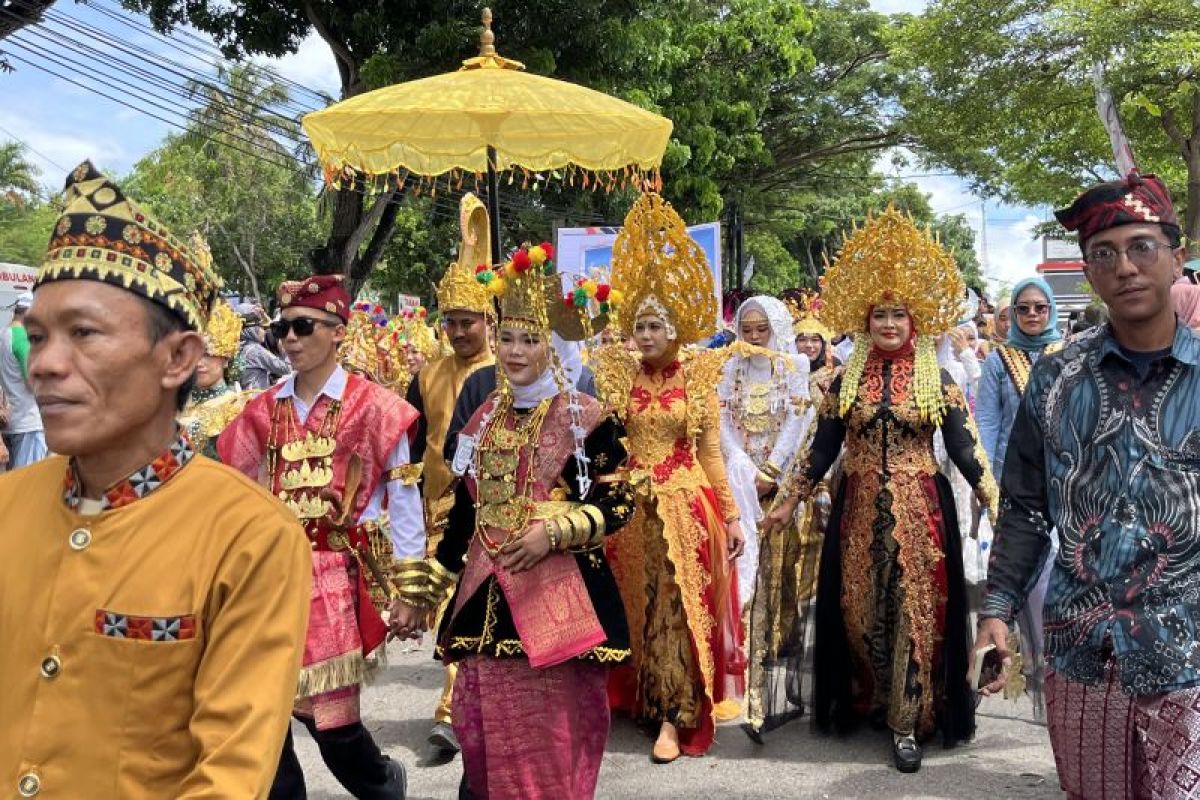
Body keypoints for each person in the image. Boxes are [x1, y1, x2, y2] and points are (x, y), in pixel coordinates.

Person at [0, 161, 311, 798]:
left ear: (177, 359)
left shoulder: (250, 539)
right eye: (37, 337)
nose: (47, 365)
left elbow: (229, 775)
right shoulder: (8, 506)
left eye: (83, 334)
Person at [975, 172, 1200, 800]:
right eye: (1105, 254)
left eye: (1142, 247)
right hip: (1082, 657)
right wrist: (996, 609)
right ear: (1089, 270)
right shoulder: (1055, 379)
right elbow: (1024, 505)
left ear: (1177, 256)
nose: (1125, 266)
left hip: (1189, 657)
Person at [764, 207, 998, 774]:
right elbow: (820, 450)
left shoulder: (937, 379)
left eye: (898, 315)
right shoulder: (842, 381)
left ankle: (908, 720)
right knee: (859, 612)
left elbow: (965, 449)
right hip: (858, 507)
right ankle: (874, 694)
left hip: (923, 510)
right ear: (865, 321)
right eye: (879, 315)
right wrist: (788, 500)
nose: (889, 324)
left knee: (916, 612)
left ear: (915, 322)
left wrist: (996, 500)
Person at [414, 248, 634, 800]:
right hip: (484, 604)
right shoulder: (483, 416)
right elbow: (465, 517)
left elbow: (620, 504)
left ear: (555, 347)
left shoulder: (585, 418)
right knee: (483, 744)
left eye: (530, 339)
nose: (514, 352)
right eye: (508, 338)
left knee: (543, 745)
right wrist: (424, 588)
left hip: (556, 605)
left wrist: (553, 533)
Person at [218, 274, 425, 800]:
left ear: (338, 331)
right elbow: (233, 495)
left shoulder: (376, 409)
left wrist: (411, 590)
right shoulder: (261, 411)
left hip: (334, 583)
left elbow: (403, 504)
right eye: (282, 327)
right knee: (267, 730)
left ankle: (384, 784)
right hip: (267, 583)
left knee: (334, 729)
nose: (288, 338)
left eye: (302, 326)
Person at [597, 192, 745, 762]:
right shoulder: (620, 378)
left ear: (676, 327)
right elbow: (607, 445)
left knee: (676, 611)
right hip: (631, 508)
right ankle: (640, 697)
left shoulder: (698, 379)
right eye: (639, 325)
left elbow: (712, 453)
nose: (647, 334)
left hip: (685, 508)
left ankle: (673, 716)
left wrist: (730, 515)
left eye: (656, 324)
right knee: (635, 605)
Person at [407, 193, 497, 756]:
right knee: (448, 612)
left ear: (489, 321)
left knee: (471, 609)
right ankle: (461, 704)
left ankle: (451, 711)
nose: (458, 332)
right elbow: (413, 442)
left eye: (468, 322)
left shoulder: (507, 372)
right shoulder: (428, 373)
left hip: (491, 508)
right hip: (438, 510)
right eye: (450, 322)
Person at [717, 295, 815, 740]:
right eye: (747, 330)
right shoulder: (728, 367)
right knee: (741, 570)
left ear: (776, 328)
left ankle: (776, 653)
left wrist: (770, 474)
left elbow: (798, 422)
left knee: (778, 569)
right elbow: (718, 421)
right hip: (738, 484)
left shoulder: (794, 366)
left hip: (779, 486)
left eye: (761, 330)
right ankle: (745, 660)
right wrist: (740, 468)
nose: (754, 338)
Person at [1, 289, 47, 467]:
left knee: (13, 482)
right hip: (28, 422)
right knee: (28, 485)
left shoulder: (3, 335)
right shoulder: (22, 340)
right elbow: (32, 383)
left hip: (10, 421)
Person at [236, 302, 291, 389]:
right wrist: (285, 348)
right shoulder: (255, 350)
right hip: (256, 398)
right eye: (261, 327)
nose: (264, 332)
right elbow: (286, 369)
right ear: (252, 330)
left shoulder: (241, 347)